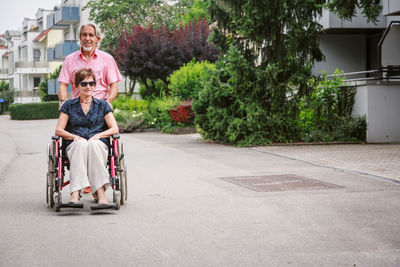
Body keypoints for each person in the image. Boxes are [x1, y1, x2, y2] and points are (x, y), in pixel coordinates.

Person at [58, 22, 122, 194]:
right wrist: (64, 101)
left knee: (97, 144)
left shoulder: (106, 59)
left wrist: (108, 101)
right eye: (84, 35)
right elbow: (63, 84)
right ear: (80, 38)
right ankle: (85, 183)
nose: (87, 38)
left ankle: (95, 185)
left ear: (97, 39)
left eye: (91, 35)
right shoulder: (70, 59)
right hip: (77, 108)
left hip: (99, 109)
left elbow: (114, 85)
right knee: (78, 143)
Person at [55, 68, 119, 208]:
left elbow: (115, 128)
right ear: (77, 86)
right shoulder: (68, 105)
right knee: (82, 144)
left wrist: (99, 135)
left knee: (93, 144)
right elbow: (59, 130)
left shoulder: (102, 105)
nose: (88, 87)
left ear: (95, 85)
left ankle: (101, 194)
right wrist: (74, 137)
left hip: (98, 143)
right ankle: (75, 194)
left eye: (91, 83)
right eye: (84, 84)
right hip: (75, 143)